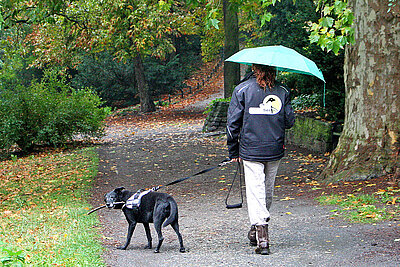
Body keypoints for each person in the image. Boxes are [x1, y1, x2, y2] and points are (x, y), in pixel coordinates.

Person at [226, 64, 295, 255]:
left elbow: (232, 125)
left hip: (250, 149)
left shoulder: (241, 90)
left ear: (254, 68)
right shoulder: (283, 91)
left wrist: (233, 151)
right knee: (267, 191)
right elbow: (290, 121)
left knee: (256, 191)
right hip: (274, 148)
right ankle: (257, 228)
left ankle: (262, 238)